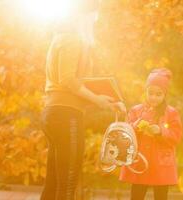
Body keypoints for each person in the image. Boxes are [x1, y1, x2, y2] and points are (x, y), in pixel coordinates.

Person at [40, 1, 126, 199]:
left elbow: (74, 83)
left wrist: (107, 100)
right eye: (93, 16)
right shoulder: (73, 40)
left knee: (53, 183)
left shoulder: (59, 38)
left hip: (54, 112)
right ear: (83, 16)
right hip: (66, 115)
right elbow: (68, 79)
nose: (95, 21)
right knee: (68, 183)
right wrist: (97, 100)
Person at [119, 68, 183, 200]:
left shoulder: (171, 113)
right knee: (137, 194)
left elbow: (176, 135)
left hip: (160, 163)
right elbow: (126, 134)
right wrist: (135, 126)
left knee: (161, 195)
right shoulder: (135, 110)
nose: (153, 97)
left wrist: (160, 131)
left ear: (165, 94)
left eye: (158, 94)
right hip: (141, 161)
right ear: (145, 92)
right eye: (151, 93)